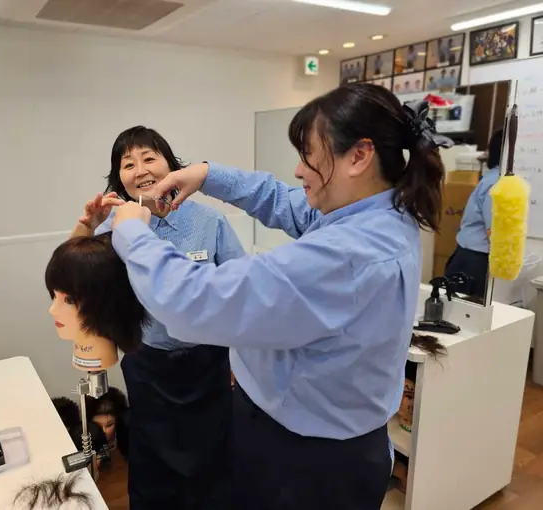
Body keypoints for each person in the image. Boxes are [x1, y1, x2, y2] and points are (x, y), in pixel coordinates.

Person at [108, 84, 452, 510]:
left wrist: (131, 232)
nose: (298, 170)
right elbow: (284, 201)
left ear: (359, 156)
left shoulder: (344, 256)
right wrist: (207, 174)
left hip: (307, 459)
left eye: (308, 155)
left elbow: (196, 299)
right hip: (322, 437)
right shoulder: (380, 212)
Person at [71, 126, 245, 510]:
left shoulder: (209, 222)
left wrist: (240, 358)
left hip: (209, 362)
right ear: (120, 179)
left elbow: (241, 293)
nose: (140, 169)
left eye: (149, 157)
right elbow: (70, 281)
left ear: (170, 165)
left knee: (214, 460)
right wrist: (86, 227)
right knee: (154, 462)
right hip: (147, 363)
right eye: (128, 163)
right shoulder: (112, 228)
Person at [445, 129, 503, 297]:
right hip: (475, 261)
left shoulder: (492, 177)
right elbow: (493, 230)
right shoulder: (499, 182)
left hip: (468, 256)